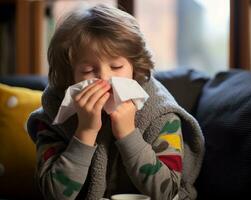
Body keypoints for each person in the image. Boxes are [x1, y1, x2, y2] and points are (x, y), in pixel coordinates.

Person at [27, 4, 205, 200]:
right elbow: (54, 195)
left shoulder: (161, 115)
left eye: (117, 66)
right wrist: (85, 132)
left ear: (135, 66)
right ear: (69, 77)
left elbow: (167, 193)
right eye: (87, 70)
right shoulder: (53, 117)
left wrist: (128, 134)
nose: (104, 78)